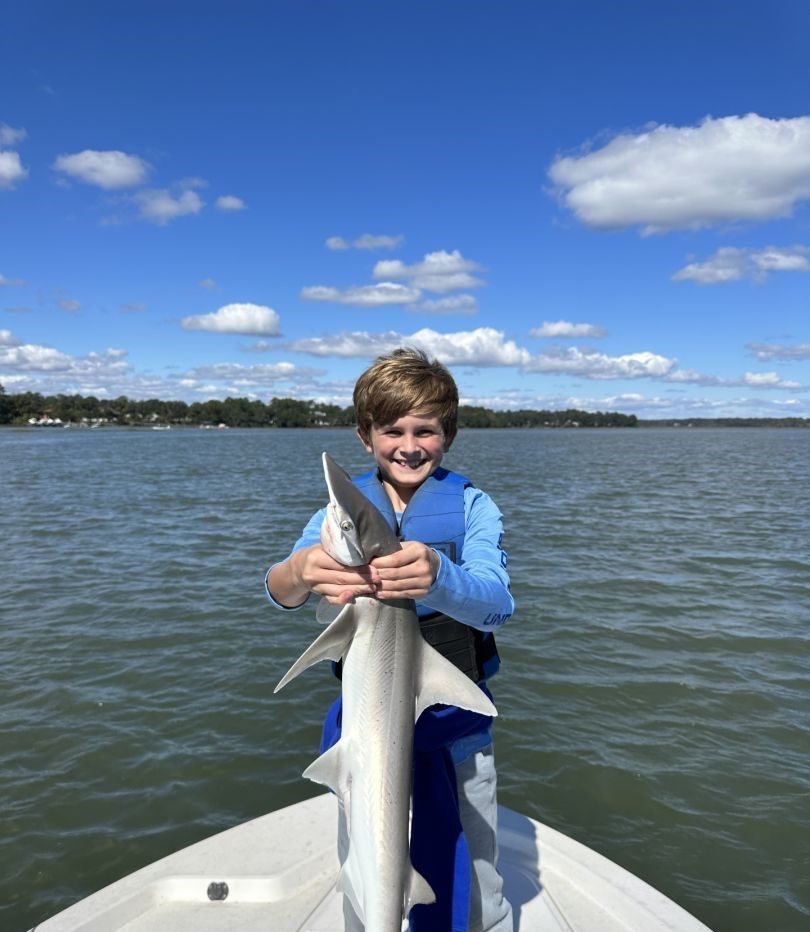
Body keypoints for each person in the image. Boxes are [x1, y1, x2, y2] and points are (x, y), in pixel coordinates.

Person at [266, 348, 514, 932]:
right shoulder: (339, 513)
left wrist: (440, 576)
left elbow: (498, 605)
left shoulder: (473, 508)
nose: (409, 445)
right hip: (363, 734)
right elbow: (281, 589)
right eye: (392, 430)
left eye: (424, 430)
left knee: (471, 881)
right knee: (364, 874)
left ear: (447, 435)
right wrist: (302, 571)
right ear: (365, 436)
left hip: (455, 732)